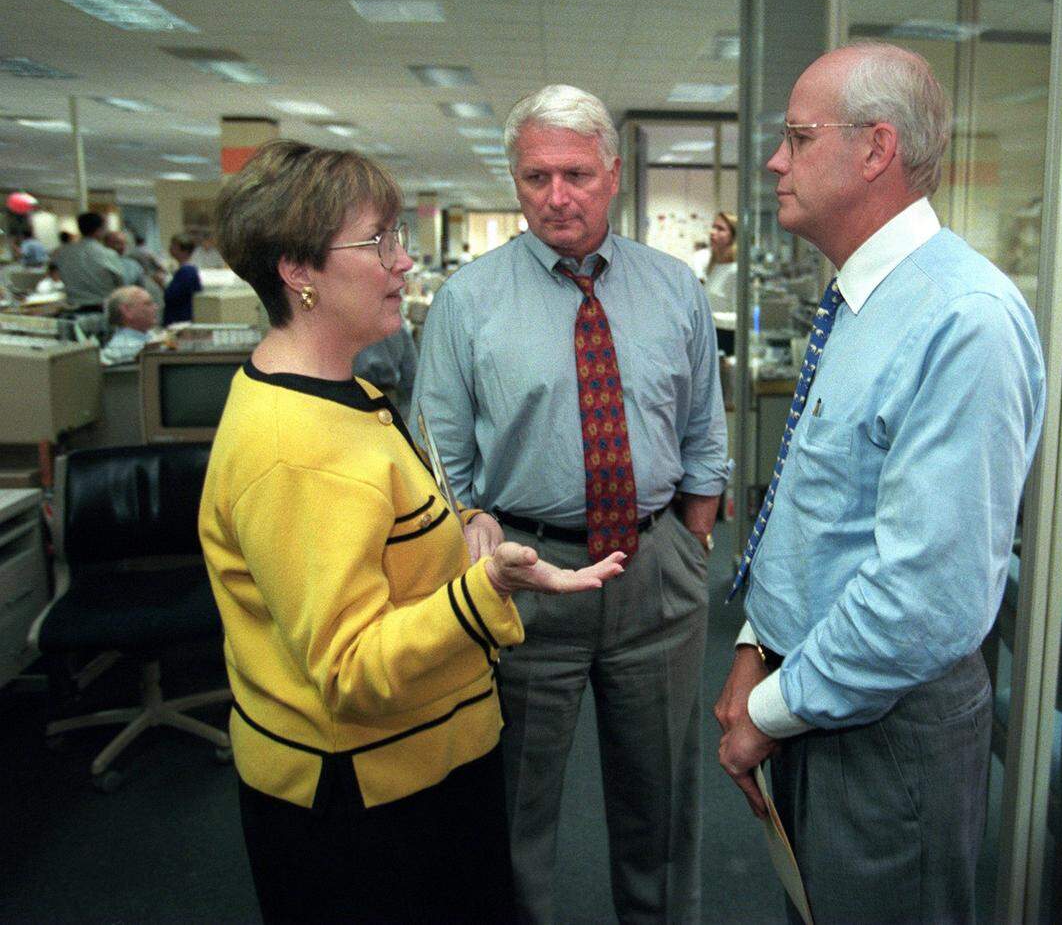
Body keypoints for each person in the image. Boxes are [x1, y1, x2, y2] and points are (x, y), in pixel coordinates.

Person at [198, 139, 624, 924]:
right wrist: (483, 589)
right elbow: (348, 669)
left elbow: (380, 528)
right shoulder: (295, 448)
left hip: (421, 764)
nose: (403, 264)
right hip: (367, 803)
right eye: (379, 242)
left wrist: (465, 524)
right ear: (297, 269)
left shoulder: (345, 391)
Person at [714, 42, 1046, 923]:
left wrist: (773, 706)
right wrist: (756, 643)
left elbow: (926, 600)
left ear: (875, 150)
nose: (776, 161)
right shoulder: (861, 301)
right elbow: (812, 503)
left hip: (887, 731)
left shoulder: (962, 321)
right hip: (822, 692)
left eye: (796, 136)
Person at [413, 84, 730, 924]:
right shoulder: (466, 301)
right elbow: (437, 454)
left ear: (614, 174)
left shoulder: (675, 289)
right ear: (515, 182)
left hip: (655, 573)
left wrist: (690, 548)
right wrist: (470, 525)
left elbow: (705, 435)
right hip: (524, 574)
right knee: (514, 813)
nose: (558, 196)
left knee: (661, 807)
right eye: (536, 177)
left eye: (577, 174)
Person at [53, 211, 125, 310]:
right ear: (100, 229)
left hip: (73, 307)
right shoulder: (107, 254)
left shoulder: (62, 253)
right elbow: (120, 282)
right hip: (102, 308)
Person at [352, 322, 418, 420]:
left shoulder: (347, 322)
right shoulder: (398, 325)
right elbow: (410, 376)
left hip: (352, 398)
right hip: (387, 402)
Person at [100, 286, 159, 365]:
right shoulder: (125, 349)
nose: (155, 307)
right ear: (127, 311)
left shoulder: (145, 335)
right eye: (147, 304)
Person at [163, 233, 201, 325]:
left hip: (179, 319)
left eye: (173, 246)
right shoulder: (185, 270)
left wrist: (161, 283)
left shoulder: (186, 271)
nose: (170, 248)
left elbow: (172, 296)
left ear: (183, 250)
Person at [703, 211, 737, 312]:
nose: (712, 232)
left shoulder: (735, 271)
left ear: (733, 237)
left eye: (720, 229)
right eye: (713, 227)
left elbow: (738, 316)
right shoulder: (714, 266)